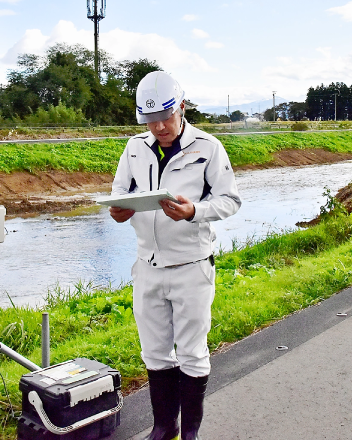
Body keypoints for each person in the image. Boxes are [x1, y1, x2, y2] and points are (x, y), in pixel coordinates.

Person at [109, 71, 242, 440]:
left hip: (191, 267)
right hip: (147, 266)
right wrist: (119, 210)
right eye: (151, 121)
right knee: (154, 352)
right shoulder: (135, 147)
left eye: (166, 117)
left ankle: (190, 434)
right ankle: (164, 427)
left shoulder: (208, 147)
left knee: (192, 353)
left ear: (181, 108)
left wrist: (194, 211)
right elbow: (119, 192)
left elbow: (230, 200)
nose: (160, 127)